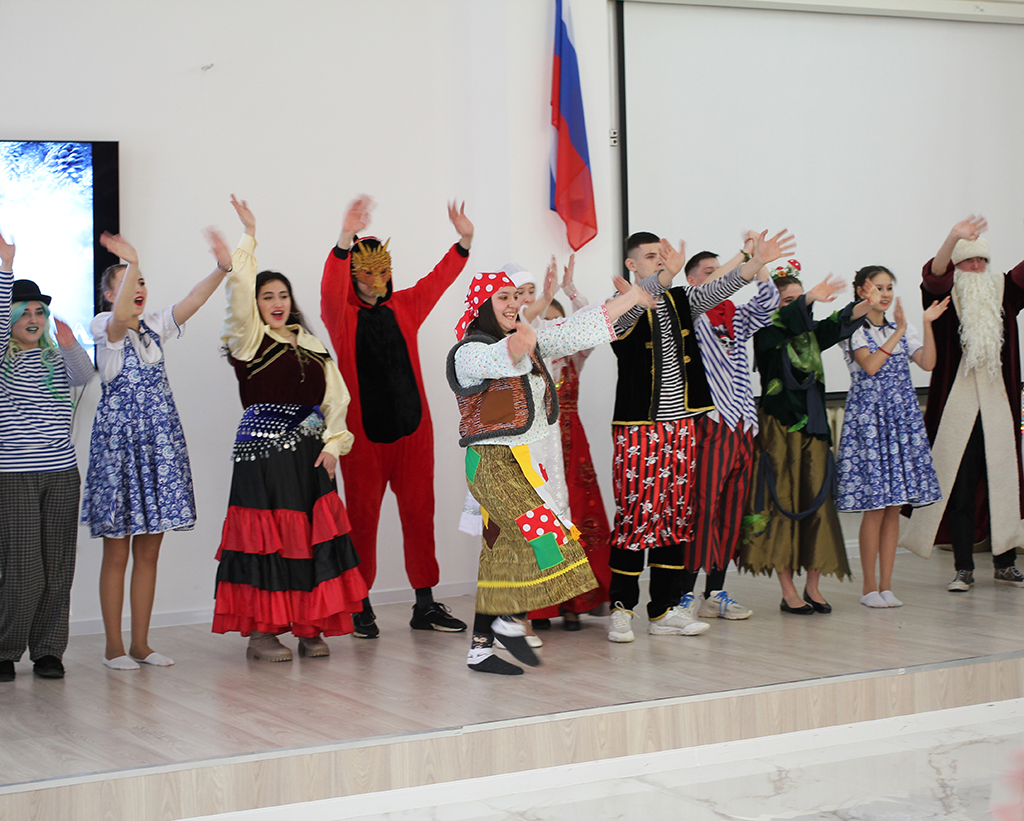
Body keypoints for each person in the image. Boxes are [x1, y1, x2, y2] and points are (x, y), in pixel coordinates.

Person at [448, 270, 654, 675]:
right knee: (547, 540)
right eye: (502, 297)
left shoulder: (530, 339)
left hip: (524, 463)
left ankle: (481, 647)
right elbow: (495, 359)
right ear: (483, 305)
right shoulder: (468, 351)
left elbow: (576, 330)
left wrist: (632, 299)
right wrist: (516, 344)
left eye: (515, 297)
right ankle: (510, 620)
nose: (513, 304)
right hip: (492, 462)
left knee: (502, 555)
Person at [607, 229, 795, 644]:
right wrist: (661, 280)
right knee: (635, 520)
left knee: (674, 519)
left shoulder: (682, 301)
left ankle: (664, 610)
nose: (660, 260)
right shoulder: (619, 303)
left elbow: (720, 286)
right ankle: (621, 609)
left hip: (682, 426)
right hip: (639, 430)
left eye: (662, 255)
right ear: (631, 264)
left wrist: (752, 260)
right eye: (651, 256)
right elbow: (621, 327)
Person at [213, 196, 368, 660]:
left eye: (282, 295)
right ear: (256, 305)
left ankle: (308, 625)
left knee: (308, 538)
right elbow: (238, 295)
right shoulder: (248, 340)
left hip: (309, 456)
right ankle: (262, 633)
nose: (276, 303)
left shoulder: (312, 343)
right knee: (269, 540)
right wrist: (248, 237)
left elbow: (337, 399)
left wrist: (334, 446)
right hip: (263, 457)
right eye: (267, 296)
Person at [321, 196, 472, 638]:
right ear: (354, 274)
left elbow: (438, 280)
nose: (377, 280)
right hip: (363, 439)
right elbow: (329, 289)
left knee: (420, 517)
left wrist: (464, 242)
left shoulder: (405, 305)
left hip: (414, 435)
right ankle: (359, 605)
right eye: (366, 272)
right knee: (362, 521)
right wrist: (344, 239)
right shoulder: (341, 317)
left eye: (383, 270)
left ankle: (425, 604)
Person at [82, 230, 230, 671]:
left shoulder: (154, 326)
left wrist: (221, 268)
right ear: (110, 294)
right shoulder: (104, 327)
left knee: (149, 550)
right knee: (117, 551)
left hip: (159, 445)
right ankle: (113, 646)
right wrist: (131, 261)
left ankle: (141, 644)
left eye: (143, 281)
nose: (139, 287)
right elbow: (117, 322)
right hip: (119, 450)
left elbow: (193, 299)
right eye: (130, 281)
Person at [740, 266, 880, 613]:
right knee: (781, 506)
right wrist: (808, 297)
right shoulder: (765, 335)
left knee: (818, 503)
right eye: (789, 300)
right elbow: (786, 323)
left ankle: (813, 587)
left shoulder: (813, 334)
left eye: (801, 299)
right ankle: (788, 591)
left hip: (813, 428)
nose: (800, 306)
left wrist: (867, 301)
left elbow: (840, 320)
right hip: (778, 429)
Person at [900, 216, 1024, 590]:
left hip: (999, 409)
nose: (977, 267)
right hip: (957, 410)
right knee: (958, 486)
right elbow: (933, 276)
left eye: (981, 260)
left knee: (1003, 483)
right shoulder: (945, 297)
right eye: (969, 261)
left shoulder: (1003, 291)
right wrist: (953, 236)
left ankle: (1005, 562)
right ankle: (963, 567)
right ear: (957, 266)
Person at [0, 233, 94, 682]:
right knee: (23, 570)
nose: (34, 319)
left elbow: (85, 375)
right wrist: (6, 268)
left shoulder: (56, 360)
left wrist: (71, 343)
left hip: (62, 474)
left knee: (58, 567)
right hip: (13, 475)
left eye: (39, 311)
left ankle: (48, 652)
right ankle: (5, 650)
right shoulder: (3, 361)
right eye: (24, 312)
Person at [677, 237, 779, 623]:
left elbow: (768, 302)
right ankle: (684, 593)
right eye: (710, 271)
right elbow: (710, 288)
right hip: (711, 422)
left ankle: (714, 591)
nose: (723, 277)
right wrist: (742, 260)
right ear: (692, 279)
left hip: (742, 424)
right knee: (702, 509)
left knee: (731, 512)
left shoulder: (734, 315)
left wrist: (761, 260)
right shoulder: (690, 310)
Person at [836, 267, 945, 608]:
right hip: (870, 421)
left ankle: (886, 585)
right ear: (861, 291)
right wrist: (898, 331)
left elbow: (928, 363)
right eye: (877, 288)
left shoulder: (901, 327)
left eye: (888, 288)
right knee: (875, 507)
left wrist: (925, 324)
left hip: (900, 420)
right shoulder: (853, 327)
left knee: (894, 506)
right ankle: (869, 587)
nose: (884, 294)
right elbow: (870, 366)